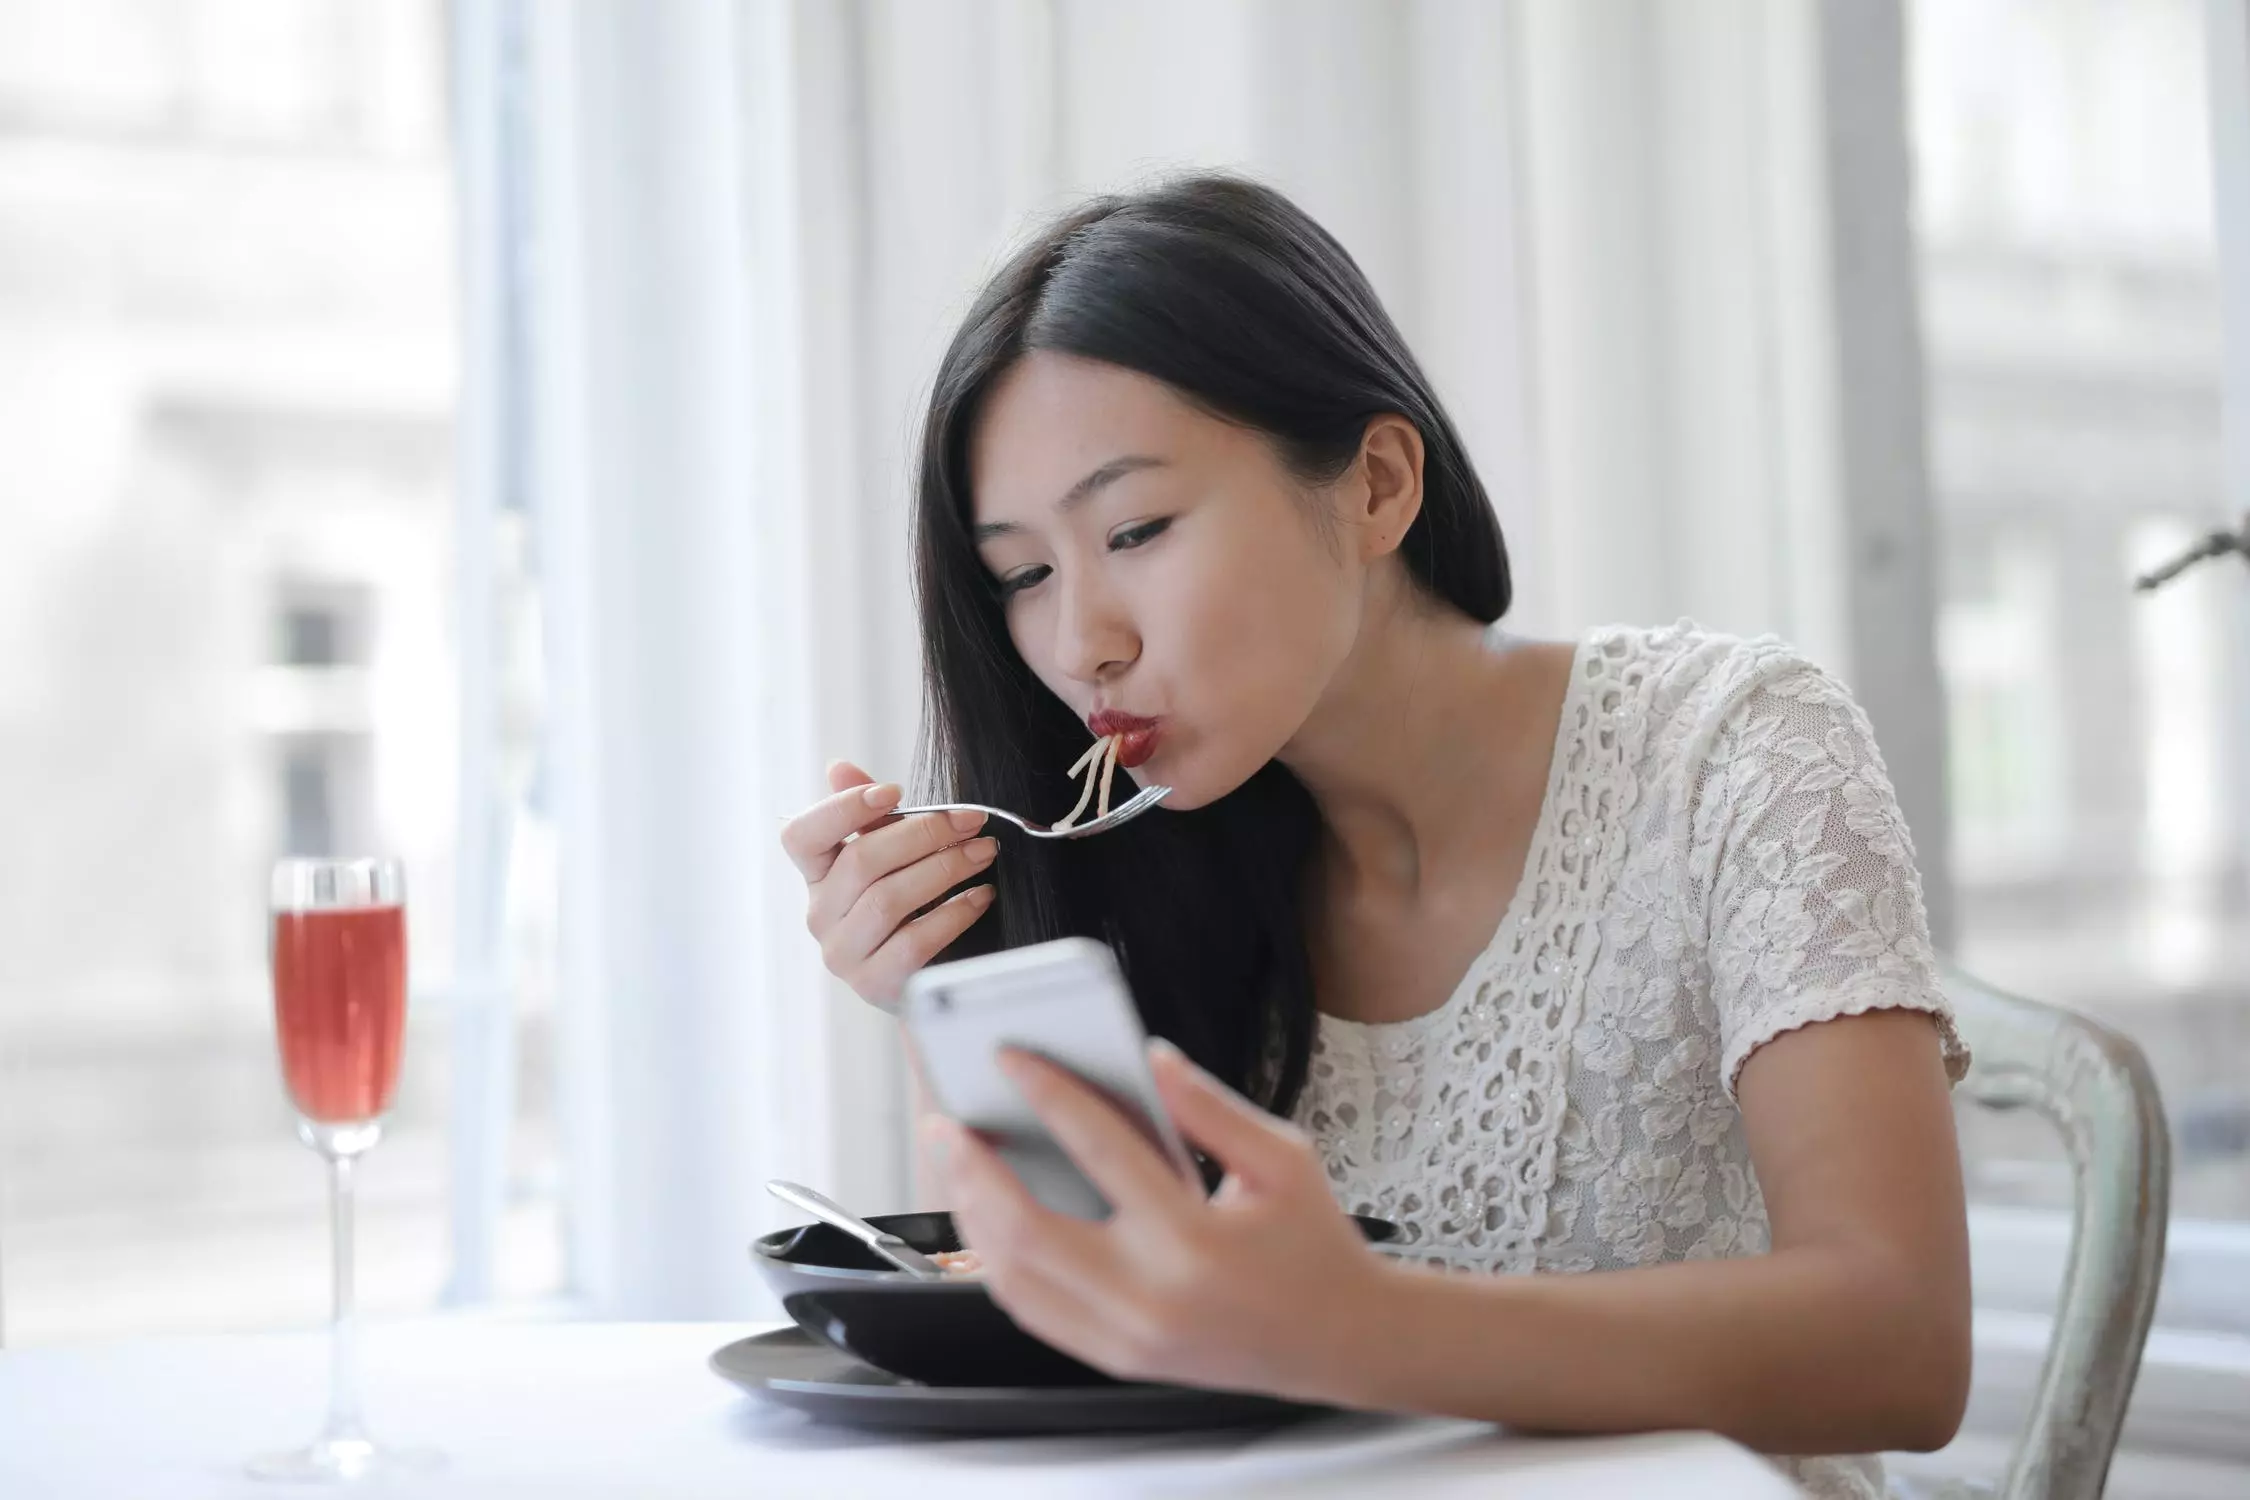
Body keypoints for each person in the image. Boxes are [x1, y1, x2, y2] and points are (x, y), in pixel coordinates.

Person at [779, 173, 1971, 1499]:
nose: (1080, 643)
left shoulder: (1731, 750)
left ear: (1377, 485)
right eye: (1023, 574)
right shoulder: (1144, 867)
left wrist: (1355, 1330)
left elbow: (1899, 1346)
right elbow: (1103, 1353)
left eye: (1134, 529)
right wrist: (951, 1000)